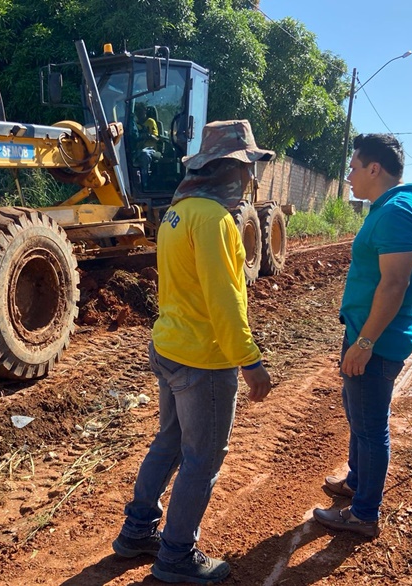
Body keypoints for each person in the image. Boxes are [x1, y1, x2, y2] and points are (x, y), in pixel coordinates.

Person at [112, 120, 274, 584]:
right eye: (246, 170)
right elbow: (224, 300)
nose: (249, 180)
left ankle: (136, 533)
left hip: (170, 346)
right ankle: (176, 556)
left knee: (168, 442)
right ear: (229, 169)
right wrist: (251, 360)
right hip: (205, 359)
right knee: (202, 458)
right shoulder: (216, 220)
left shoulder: (178, 213)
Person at [313, 133, 412, 538]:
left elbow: (395, 283)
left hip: (377, 339)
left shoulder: (398, 211)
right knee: (360, 416)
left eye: (353, 167)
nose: (349, 176)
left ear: (374, 168)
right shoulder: (407, 205)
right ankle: (356, 483)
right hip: (370, 333)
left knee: (370, 426)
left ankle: (364, 513)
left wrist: (364, 343)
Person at [132, 102, 160, 188]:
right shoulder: (133, 125)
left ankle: (145, 184)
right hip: (136, 149)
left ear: (145, 111)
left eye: (141, 110)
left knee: (144, 154)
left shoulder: (150, 122)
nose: (140, 113)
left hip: (150, 149)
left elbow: (157, 139)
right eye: (138, 111)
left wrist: (148, 135)